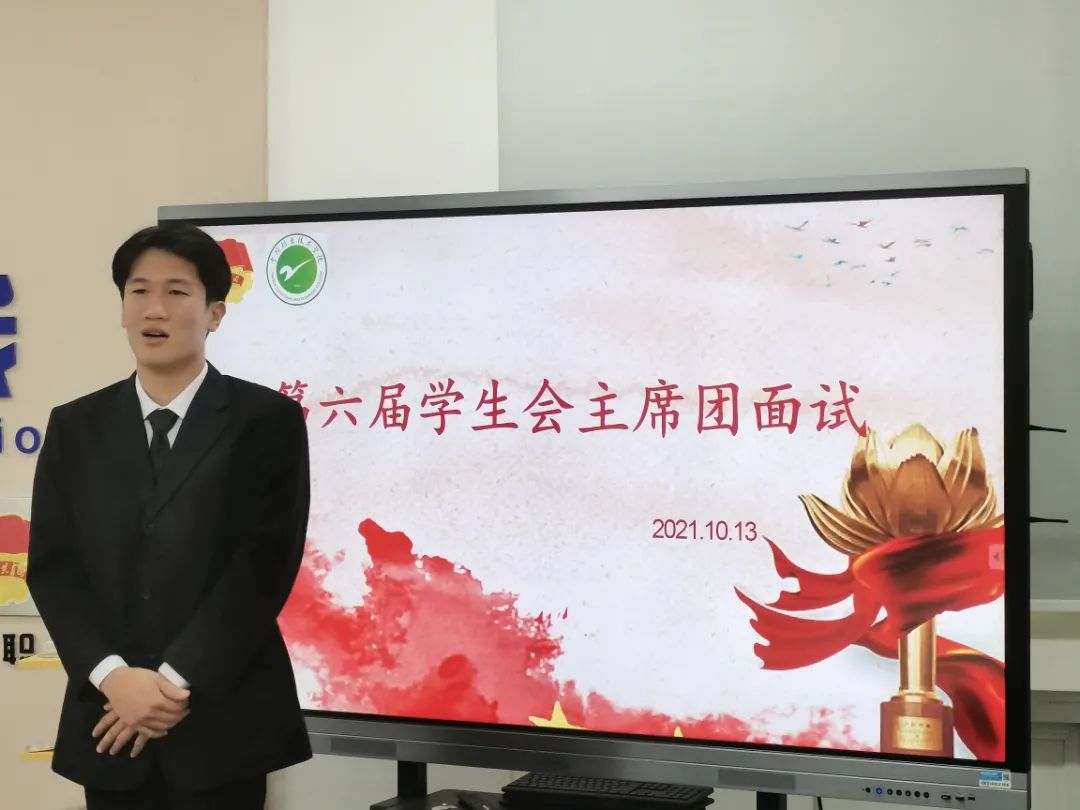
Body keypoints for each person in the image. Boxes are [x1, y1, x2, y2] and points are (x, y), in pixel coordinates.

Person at [27, 223, 312, 809]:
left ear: (214, 313)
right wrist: (113, 677)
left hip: (221, 723)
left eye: (177, 292)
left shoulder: (266, 420)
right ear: (122, 308)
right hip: (110, 720)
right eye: (139, 291)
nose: (154, 309)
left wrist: (171, 683)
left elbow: (262, 567)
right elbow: (54, 567)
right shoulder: (76, 426)